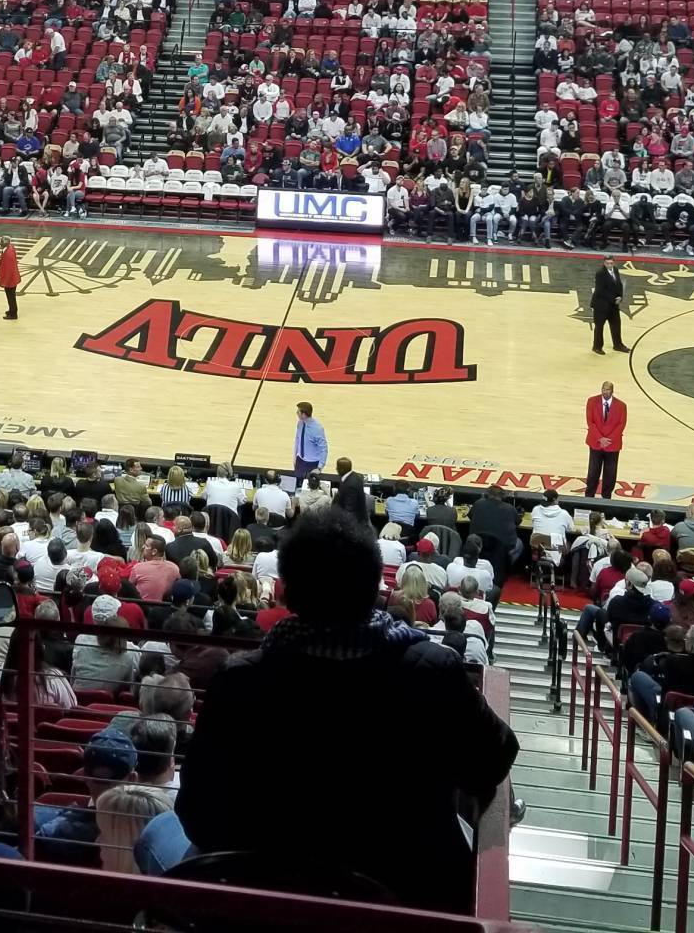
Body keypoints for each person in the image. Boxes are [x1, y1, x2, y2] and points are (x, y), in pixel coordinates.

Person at [176, 507, 519, 912]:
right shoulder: (432, 669)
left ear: (286, 589)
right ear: (376, 585)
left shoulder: (240, 680)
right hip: (407, 899)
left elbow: (199, 812)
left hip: (274, 902)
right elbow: (493, 759)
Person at [585, 381, 625, 498]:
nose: (605, 392)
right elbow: (590, 422)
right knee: (593, 472)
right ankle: (589, 497)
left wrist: (608, 439)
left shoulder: (621, 406)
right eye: (603, 389)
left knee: (610, 474)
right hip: (596, 443)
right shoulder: (592, 401)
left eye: (607, 390)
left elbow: (621, 425)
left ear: (612, 391)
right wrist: (600, 438)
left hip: (612, 445)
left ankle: (606, 498)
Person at [591, 260, 628, 354]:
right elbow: (600, 290)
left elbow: (619, 284)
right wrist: (614, 299)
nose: (609, 265)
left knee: (616, 325)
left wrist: (620, 296)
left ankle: (618, 345)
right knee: (599, 327)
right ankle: (597, 347)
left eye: (611, 263)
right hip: (601, 305)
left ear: (614, 263)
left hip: (613, 305)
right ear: (604, 263)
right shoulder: (600, 274)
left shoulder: (615, 270)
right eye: (607, 263)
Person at [292, 401, 328, 482]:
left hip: (313, 463)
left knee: (311, 486)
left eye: (298, 412)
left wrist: (319, 467)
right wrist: (295, 457)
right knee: (298, 483)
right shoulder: (300, 423)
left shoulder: (317, 429)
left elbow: (324, 449)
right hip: (300, 461)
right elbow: (297, 439)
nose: (296, 413)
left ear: (304, 414)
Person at [0, 239, 22, 318]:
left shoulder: (8, 254)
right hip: (12, 277)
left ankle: (13, 314)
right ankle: (11, 310)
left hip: (10, 279)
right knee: (11, 296)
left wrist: (6, 281)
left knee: (11, 296)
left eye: (1, 242)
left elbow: (9, 269)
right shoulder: (10, 248)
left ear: (4, 243)